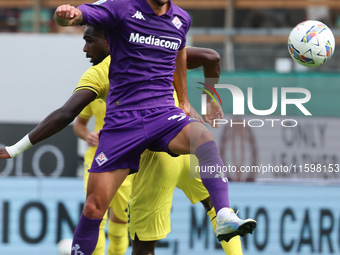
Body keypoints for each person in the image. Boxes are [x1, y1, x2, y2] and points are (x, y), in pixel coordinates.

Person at [0, 1, 256, 254]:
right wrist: (70, 15)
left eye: (90, 41)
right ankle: (221, 213)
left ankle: (225, 214)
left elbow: (181, 54)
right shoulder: (120, 13)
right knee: (95, 210)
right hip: (124, 127)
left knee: (202, 138)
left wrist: (185, 100)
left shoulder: (179, 19)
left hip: (164, 118)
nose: (85, 49)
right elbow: (81, 14)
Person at [75, 25, 243, 255]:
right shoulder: (154, 53)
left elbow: (65, 113)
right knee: (216, 206)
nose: (85, 49)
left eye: (89, 42)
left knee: (133, 236)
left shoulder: (99, 75)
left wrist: (20, 146)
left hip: (153, 156)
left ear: (107, 41)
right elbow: (211, 57)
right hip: (186, 143)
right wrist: (208, 99)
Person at [73, 26, 130, 255]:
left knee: (120, 220)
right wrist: (87, 135)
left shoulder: (132, 83)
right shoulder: (94, 87)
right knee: (95, 213)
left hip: (125, 160)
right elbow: (78, 123)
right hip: (96, 158)